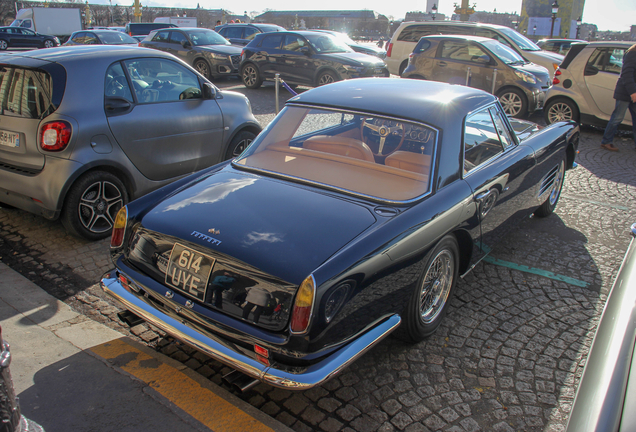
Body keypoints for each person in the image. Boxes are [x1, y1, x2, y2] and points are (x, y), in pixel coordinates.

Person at [600, 43, 636, 152]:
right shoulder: (632, 54)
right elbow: (627, 74)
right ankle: (606, 142)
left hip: (632, 92)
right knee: (617, 118)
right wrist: (633, 92)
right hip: (625, 92)